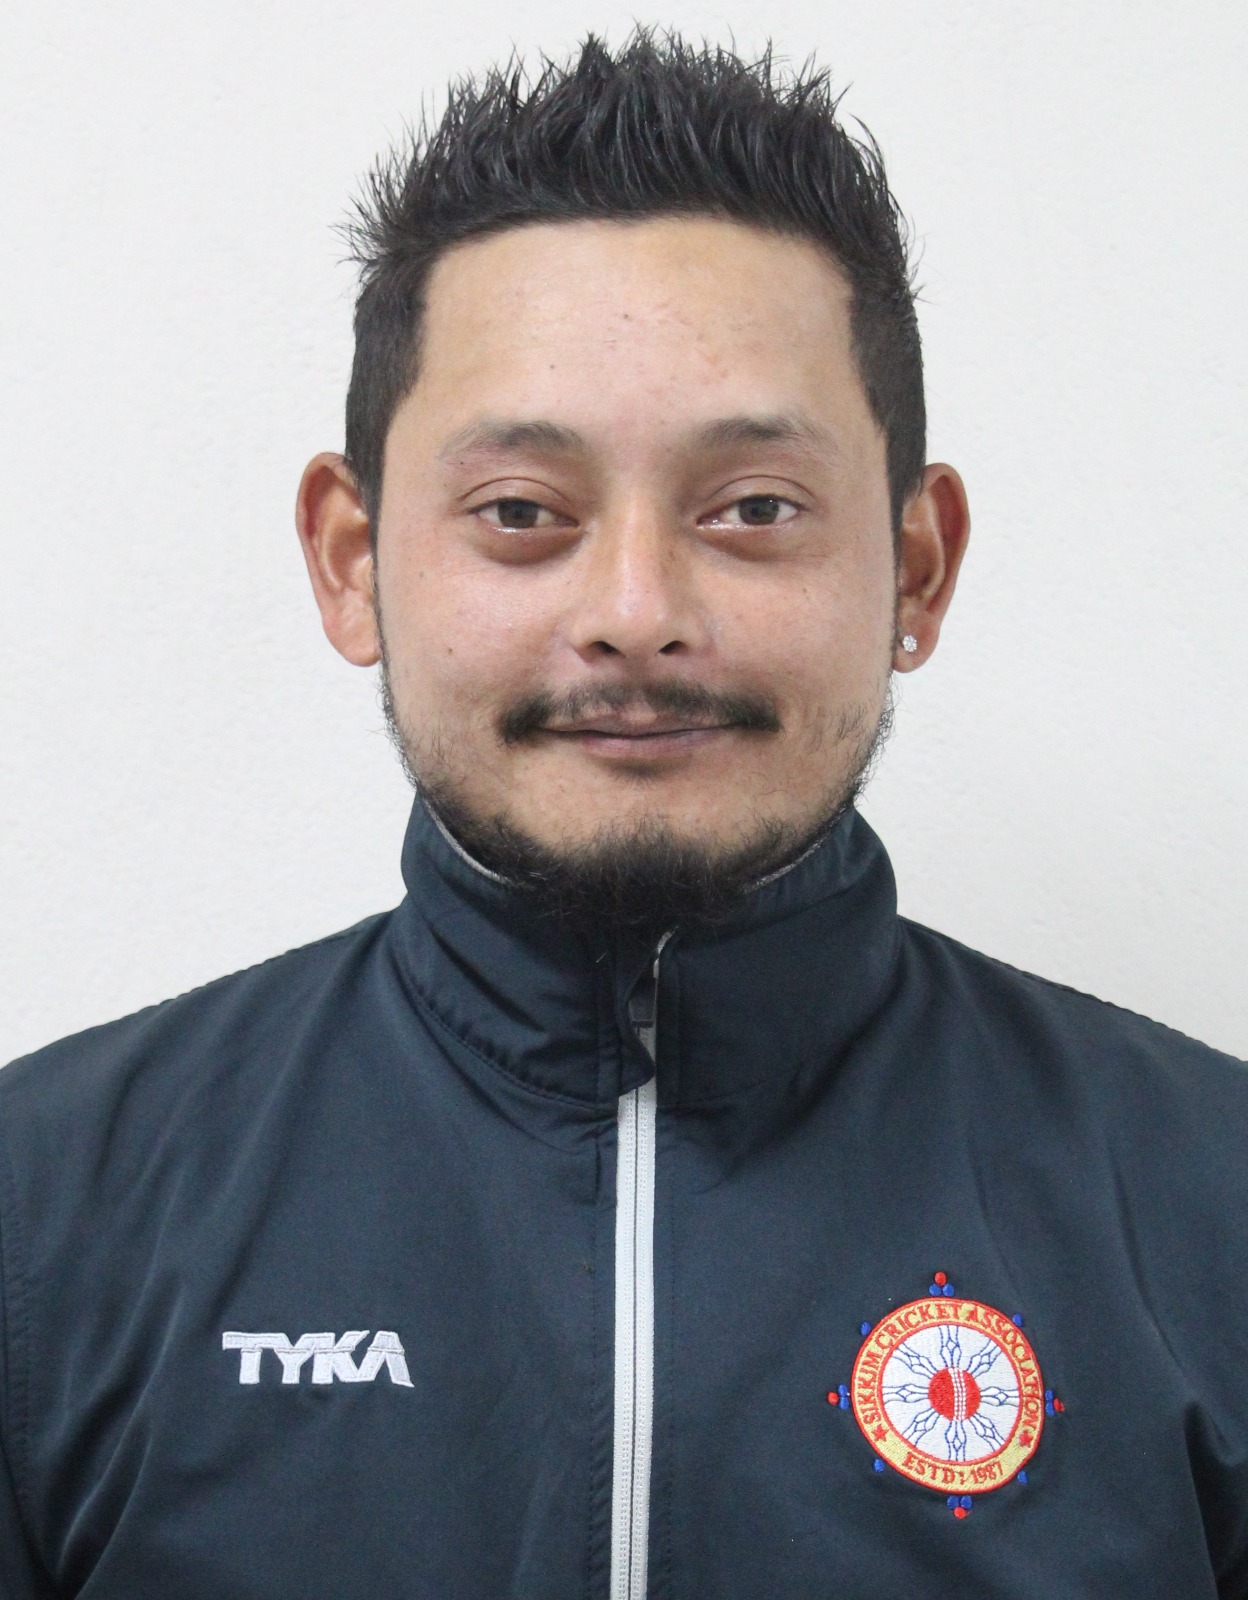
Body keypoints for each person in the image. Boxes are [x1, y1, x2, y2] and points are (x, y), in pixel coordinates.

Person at [1, 30, 1245, 1599]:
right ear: (352, 561)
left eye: (755, 509)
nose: (639, 613)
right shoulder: (44, 1212)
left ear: (916, 569)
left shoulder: (1215, 1206)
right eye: (523, 513)